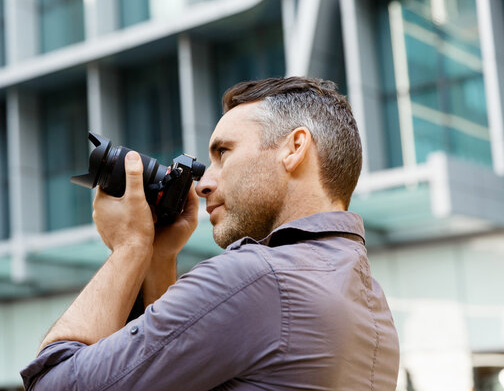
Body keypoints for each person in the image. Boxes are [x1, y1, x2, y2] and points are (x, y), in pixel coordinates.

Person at [20, 77, 400, 390]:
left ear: (294, 148)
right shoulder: (371, 306)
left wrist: (130, 246)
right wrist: (159, 258)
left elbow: (52, 385)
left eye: (223, 153)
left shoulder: (257, 278)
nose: (204, 183)